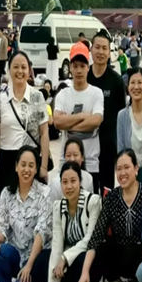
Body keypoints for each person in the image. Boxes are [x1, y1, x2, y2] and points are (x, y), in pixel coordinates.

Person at [81, 150, 142, 282]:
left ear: (136, 169)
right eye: (119, 168)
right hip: (120, 255)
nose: (122, 173)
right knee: (101, 247)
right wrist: (84, 273)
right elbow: (96, 236)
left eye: (127, 167)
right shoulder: (111, 198)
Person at [0, 147, 51, 282]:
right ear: (16, 166)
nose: (26, 169)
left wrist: (29, 266)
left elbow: (41, 233)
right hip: (16, 254)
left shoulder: (44, 193)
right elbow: (2, 226)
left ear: (36, 169)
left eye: (31, 165)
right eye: (23, 164)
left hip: (35, 259)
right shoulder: (6, 194)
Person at [0, 50, 50, 212]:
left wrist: (43, 166)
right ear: (9, 70)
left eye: (24, 67)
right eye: (15, 67)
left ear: (29, 70)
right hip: (7, 161)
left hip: (32, 161)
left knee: (32, 213)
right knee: (5, 213)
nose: (20, 71)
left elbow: (44, 133)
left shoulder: (37, 97)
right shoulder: (0, 99)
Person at [41, 162, 103, 282]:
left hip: (85, 260)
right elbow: (57, 243)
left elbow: (90, 239)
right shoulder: (58, 206)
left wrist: (64, 258)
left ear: (80, 182)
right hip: (67, 265)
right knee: (42, 259)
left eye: (73, 181)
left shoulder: (93, 201)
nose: (69, 186)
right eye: (65, 182)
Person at [53, 43, 106, 191]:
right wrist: (82, 116)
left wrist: (68, 122)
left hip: (90, 162)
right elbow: (57, 122)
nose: (79, 70)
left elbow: (96, 121)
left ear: (88, 67)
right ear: (70, 67)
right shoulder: (63, 94)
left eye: (82, 66)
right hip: (67, 162)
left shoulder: (96, 93)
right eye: (75, 66)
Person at [87, 30, 126, 177]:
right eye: (97, 47)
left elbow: (122, 116)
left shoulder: (116, 81)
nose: (100, 52)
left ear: (109, 53)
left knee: (106, 190)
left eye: (104, 48)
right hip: (86, 144)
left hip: (108, 146)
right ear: (91, 49)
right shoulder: (85, 77)